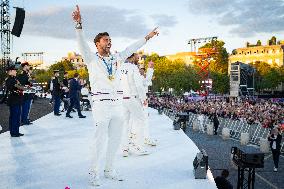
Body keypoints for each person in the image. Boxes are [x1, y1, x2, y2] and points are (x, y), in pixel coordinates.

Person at [72, 5, 158, 186]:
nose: (109, 42)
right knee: (99, 139)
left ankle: (109, 169)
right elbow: (81, 43)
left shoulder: (118, 58)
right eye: (105, 40)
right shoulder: (91, 58)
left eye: (110, 40)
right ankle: (93, 172)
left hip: (117, 103)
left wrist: (147, 38)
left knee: (116, 140)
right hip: (101, 104)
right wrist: (79, 24)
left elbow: (131, 47)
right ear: (97, 44)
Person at [120, 53, 149, 157]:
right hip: (133, 98)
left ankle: (125, 149)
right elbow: (139, 85)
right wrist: (144, 98)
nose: (138, 58)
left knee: (125, 124)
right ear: (131, 57)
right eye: (136, 57)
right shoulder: (133, 67)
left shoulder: (119, 67)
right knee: (140, 122)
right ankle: (139, 147)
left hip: (122, 99)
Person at [5, 65, 24, 137]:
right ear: (10, 72)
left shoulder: (15, 79)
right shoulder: (9, 80)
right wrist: (19, 88)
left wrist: (21, 88)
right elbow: (12, 89)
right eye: (14, 70)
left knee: (17, 116)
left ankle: (16, 131)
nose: (16, 71)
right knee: (14, 116)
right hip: (13, 101)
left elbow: (20, 87)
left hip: (18, 100)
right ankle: (13, 132)